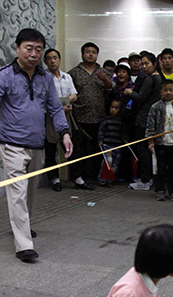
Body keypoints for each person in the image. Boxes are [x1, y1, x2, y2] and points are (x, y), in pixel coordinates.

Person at [0, 28, 72, 262]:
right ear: (17, 48)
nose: (34, 54)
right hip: (12, 145)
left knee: (29, 191)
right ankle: (23, 245)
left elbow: (55, 107)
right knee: (17, 192)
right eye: (29, 48)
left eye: (38, 49)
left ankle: (22, 225)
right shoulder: (4, 75)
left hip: (37, 144)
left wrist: (65, 133)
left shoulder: (45, 78)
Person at [69, 42, 113, 189]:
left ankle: (95, 176)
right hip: (80, 116)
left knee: (97, 148)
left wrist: (106, 80)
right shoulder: (74, 73)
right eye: (87, 52)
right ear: (82, 54)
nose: (90, 54)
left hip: (99, 117)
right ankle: (78, 177)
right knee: (79, 149)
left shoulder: (104, 72)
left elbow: (111, 90)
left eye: (93, 52)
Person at [145, 79, 173, 201]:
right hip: (160, 144)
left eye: (170, 90)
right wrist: (151, 141)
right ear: (160, 92)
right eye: (165, 90)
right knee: (160, 169)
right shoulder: (155, 107)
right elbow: (150, 125)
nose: (168, 92)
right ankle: (160, 190)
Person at [126, 51, 161, 191]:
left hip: (144, 119)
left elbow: (140, 98)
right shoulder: (159, 78)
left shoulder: (151, 79)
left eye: (147, 63)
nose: (144, 67)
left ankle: (145, 179)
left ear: (154, 64)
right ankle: (149, 178)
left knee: (143, 149)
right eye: (142, 64)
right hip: (152, 118)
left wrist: (129, 93)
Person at [43, 48, 77, 192]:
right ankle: (54, 179)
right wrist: (60, 107)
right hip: (49, 118)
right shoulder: (43, 78)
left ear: (59, 59)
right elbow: (43, 100)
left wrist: (63, 103)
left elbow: (74, 95)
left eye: (55, 57)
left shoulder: (66, 77)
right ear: (45, 61)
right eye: (49, 58)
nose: (52, 60)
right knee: (51, 150)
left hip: (67, 116)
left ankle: (77, 177)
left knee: (70, 148)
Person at [97, 99, 126, 184]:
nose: (113, 110)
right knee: (107, 161)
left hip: (117, 145)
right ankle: (102, 179)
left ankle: (112, 178)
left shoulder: (121, 121)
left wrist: (125, 140)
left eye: (116, 108)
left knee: (116, 163)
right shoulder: (106, 120)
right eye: (112, 107)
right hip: (107, 145)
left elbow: (123, 133)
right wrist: (100, 140)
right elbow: (101, 131)